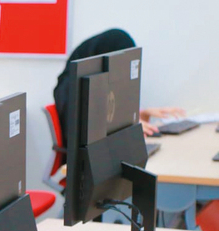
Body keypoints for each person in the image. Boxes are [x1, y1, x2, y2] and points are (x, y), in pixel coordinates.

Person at [53, 28, 185, 150]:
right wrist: (128, 127)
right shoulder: (70, 95)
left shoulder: (99, 88)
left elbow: (112, 119)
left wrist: (143, 115)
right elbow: (90, 135)